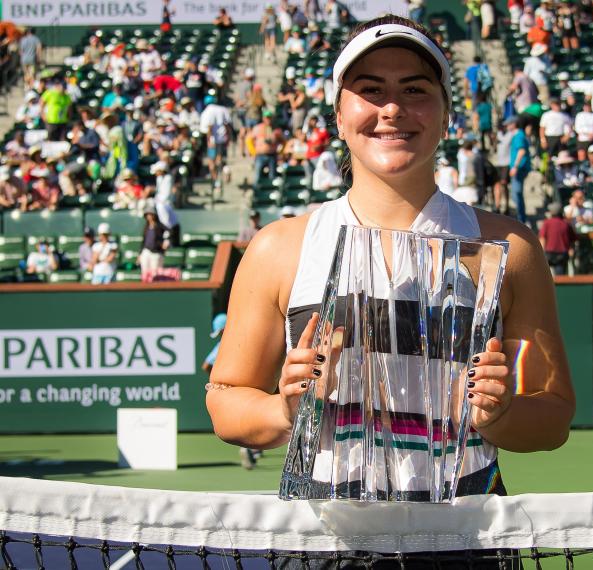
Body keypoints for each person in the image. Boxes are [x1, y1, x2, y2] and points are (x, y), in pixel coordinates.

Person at [206, 15, 574, 509]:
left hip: (468, 538)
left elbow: (552, 416)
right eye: (371, 90)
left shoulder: (511, 246)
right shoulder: (280, 247)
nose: (393, 108)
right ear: (339, 116)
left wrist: (500, 414)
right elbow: (226, 399)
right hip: (324, 540)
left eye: (415, 89)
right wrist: (286, 409)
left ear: (446, 115)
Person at [539, 203, 577, 276]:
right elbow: (573, 239)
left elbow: (542, 238)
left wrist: (542, 252)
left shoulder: (547, 223)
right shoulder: (566, 224)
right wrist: (571, 249)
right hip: (562, 254)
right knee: (560, 275)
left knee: (546, 275)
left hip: (549, 253)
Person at [508, 115, 532, 224]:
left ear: (514, 124)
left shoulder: (519, 136)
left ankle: (521, 219)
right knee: (516, 194)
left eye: (509, 124)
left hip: (519, 169)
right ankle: (521, 218)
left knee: (516, 194)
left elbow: (521, 151)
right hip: (519, 168)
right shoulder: (519, 135)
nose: (507, 126)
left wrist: (515, 167)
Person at [138, 205, 170, 278]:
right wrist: (140, 254)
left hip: (156, 252)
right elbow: (144, 241)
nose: (149, 216)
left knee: (155, 274)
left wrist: (166, 241)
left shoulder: (159, 225)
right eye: (147, 215)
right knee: (145, 273)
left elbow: (170, 232)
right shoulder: (146, 226)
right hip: (146, 251)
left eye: (150, 214)